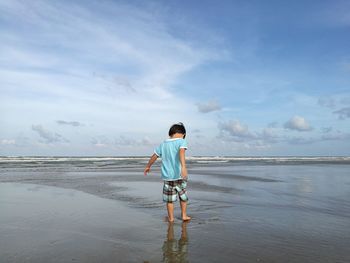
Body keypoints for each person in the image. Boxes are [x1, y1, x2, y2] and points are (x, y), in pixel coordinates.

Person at [144, 122, 191, 222]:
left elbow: (154, 156)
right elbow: (182, 152)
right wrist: (183, 167)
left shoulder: (163, 144)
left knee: (169, 200)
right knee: (183, 196)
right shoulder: (182, 141)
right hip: (180, 176)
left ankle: (171, 218)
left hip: (168, 177)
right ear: (183, 134)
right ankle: (184, 215)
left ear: (171, 133)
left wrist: (148, 166)